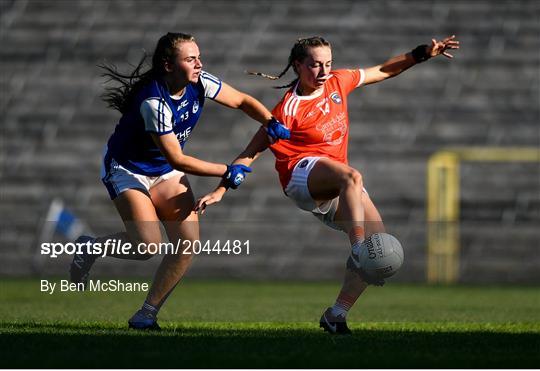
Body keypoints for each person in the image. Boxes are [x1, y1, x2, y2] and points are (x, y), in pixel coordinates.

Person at [196, 35, 460, 334]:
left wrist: (421, 53)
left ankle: (336, 314)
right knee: (353, 180)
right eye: (314, 65)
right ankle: (357, 247)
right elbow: (251, 151)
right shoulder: (288, 109)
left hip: (335, 181)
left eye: (327, 64)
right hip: (300, 175)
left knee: (379, 248)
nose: (323, 72)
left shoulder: (338, 82)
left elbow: (383, 70)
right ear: (298, 65)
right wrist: (220, 190)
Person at [69, 32, 290, 330]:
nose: (199, 63)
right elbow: (178, 160)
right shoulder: (153, 102)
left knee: (187, 243)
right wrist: (226, 170)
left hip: (164, 172)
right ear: (168, 65)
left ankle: (147, 314)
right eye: (190, 59)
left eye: (198, 56)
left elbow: (241, 100)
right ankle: (91, 247)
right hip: (128, 169)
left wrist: (270, 121)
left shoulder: (201, 81)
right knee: (147, 246)